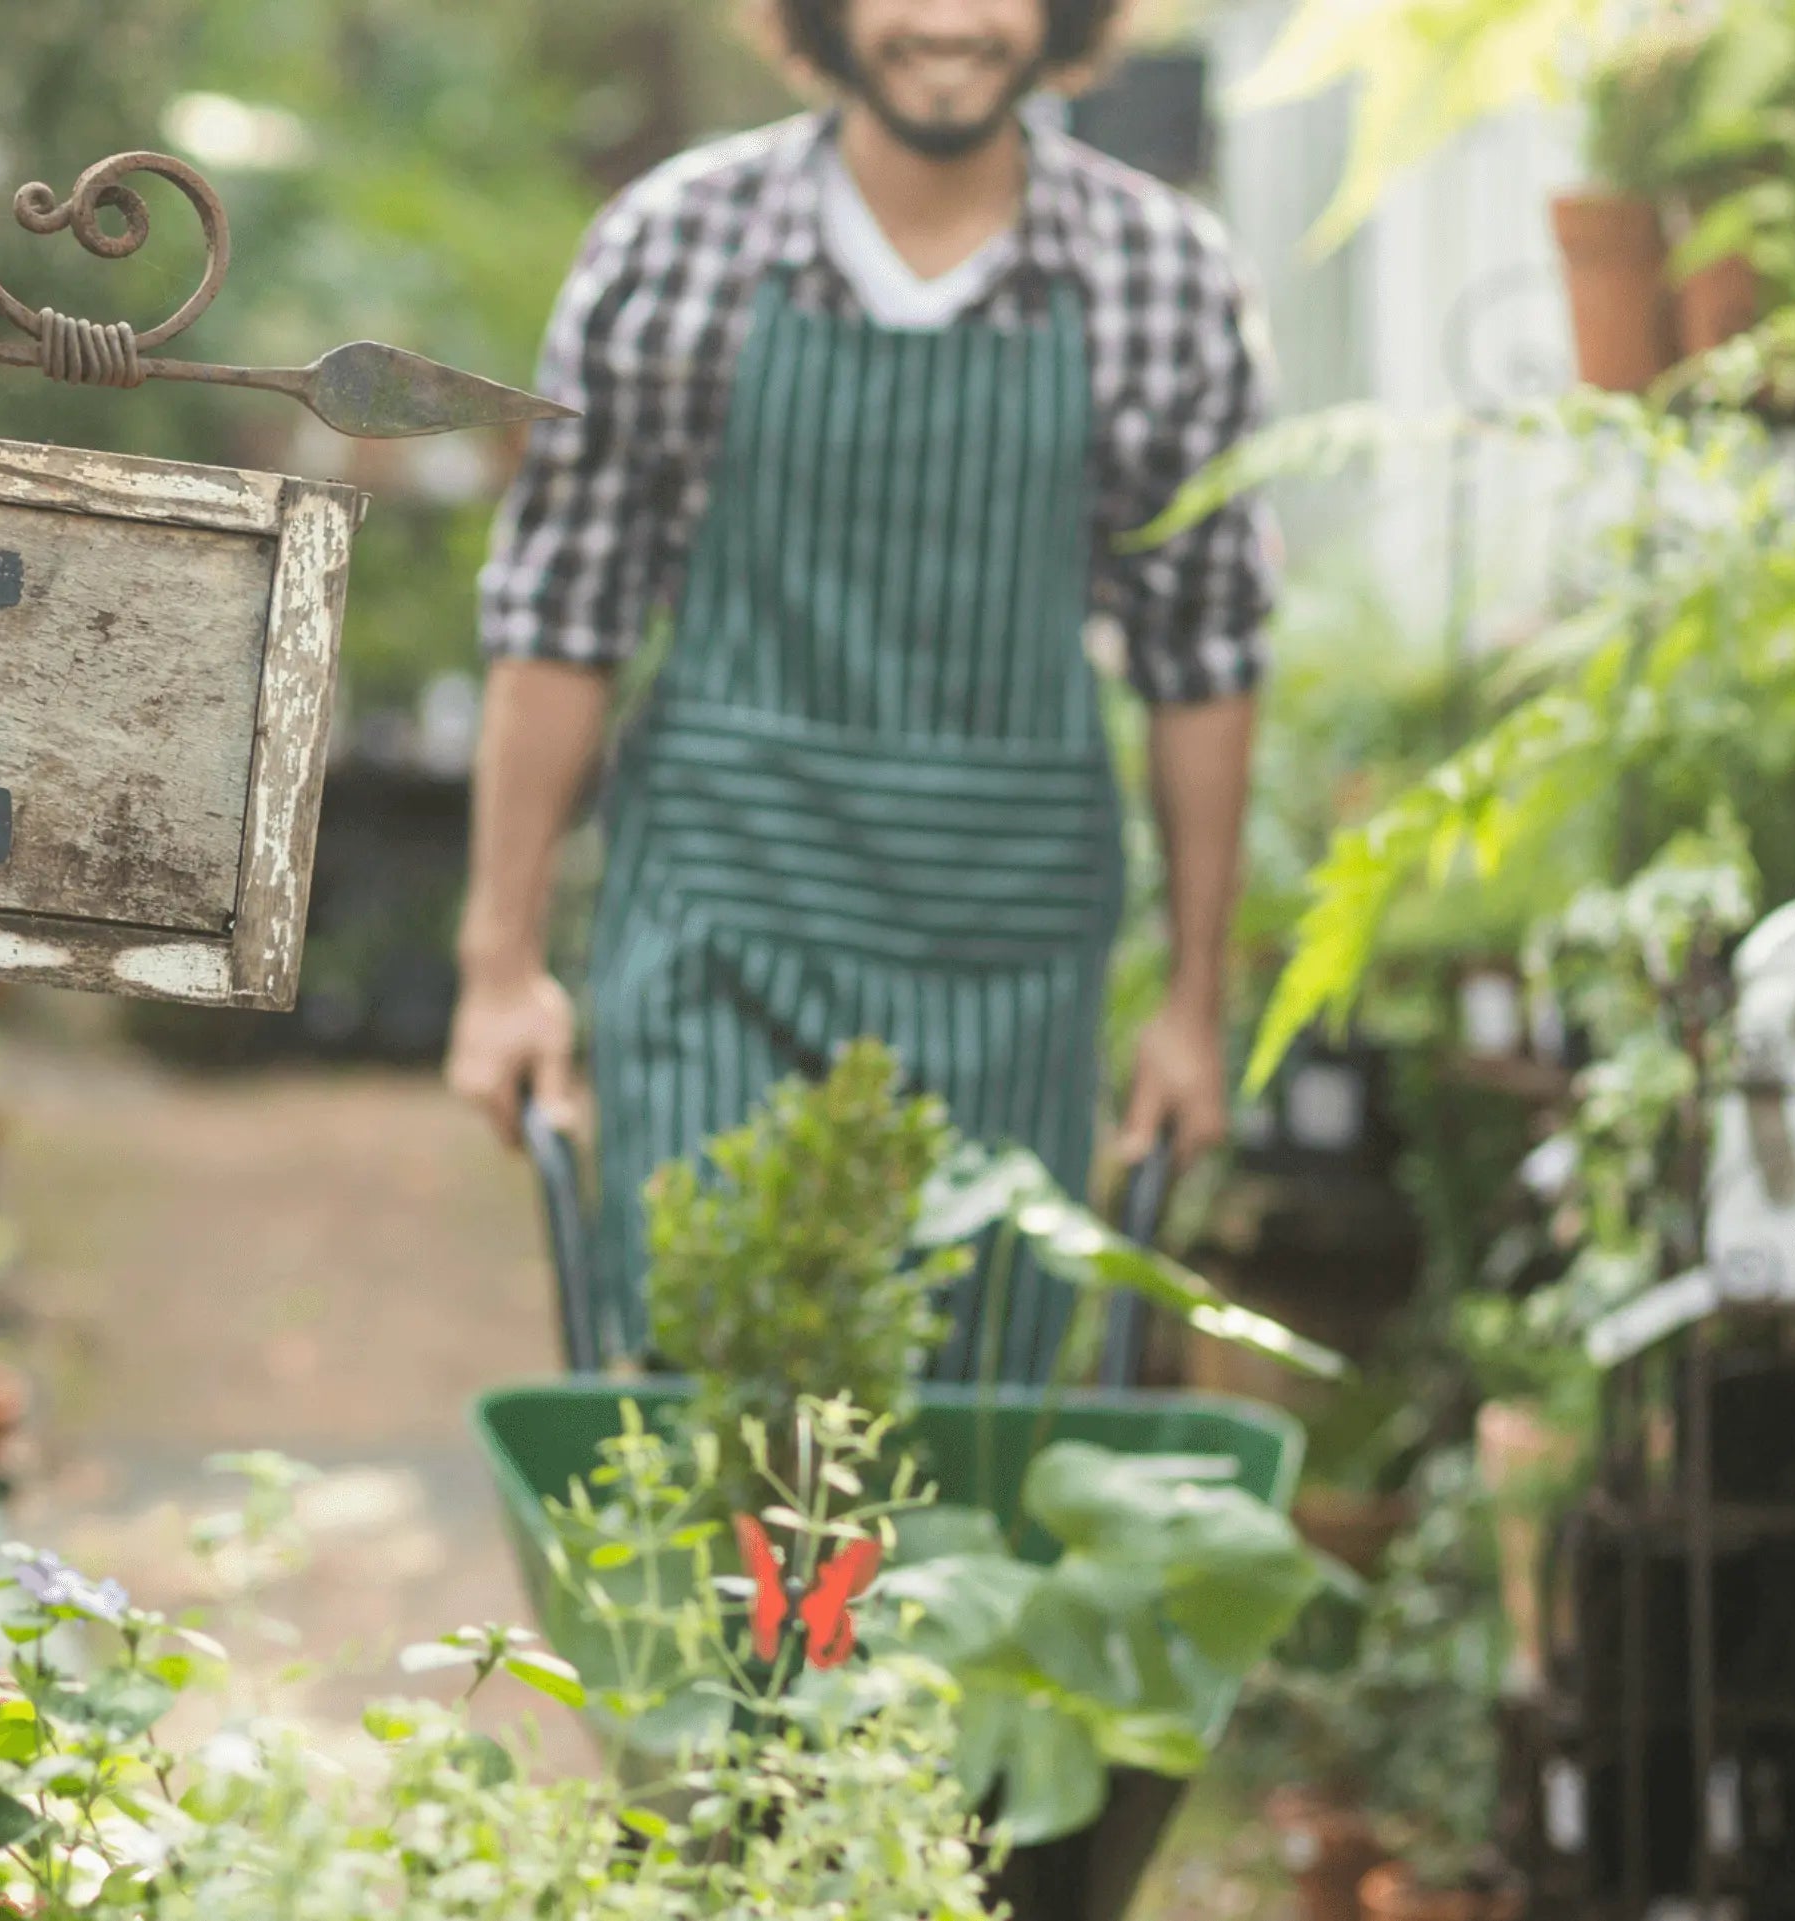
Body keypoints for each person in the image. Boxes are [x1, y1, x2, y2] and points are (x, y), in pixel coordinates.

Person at [448, 0, 1268, 1378]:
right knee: (714, 1380)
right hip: (723, 922)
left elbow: (1207, 658)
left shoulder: (1160, 276)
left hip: (1006, 957)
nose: (946, 21)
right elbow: (560, 619)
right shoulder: (676, 246)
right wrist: (499, 967)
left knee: (962, 1415)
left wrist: (1193, 1007)